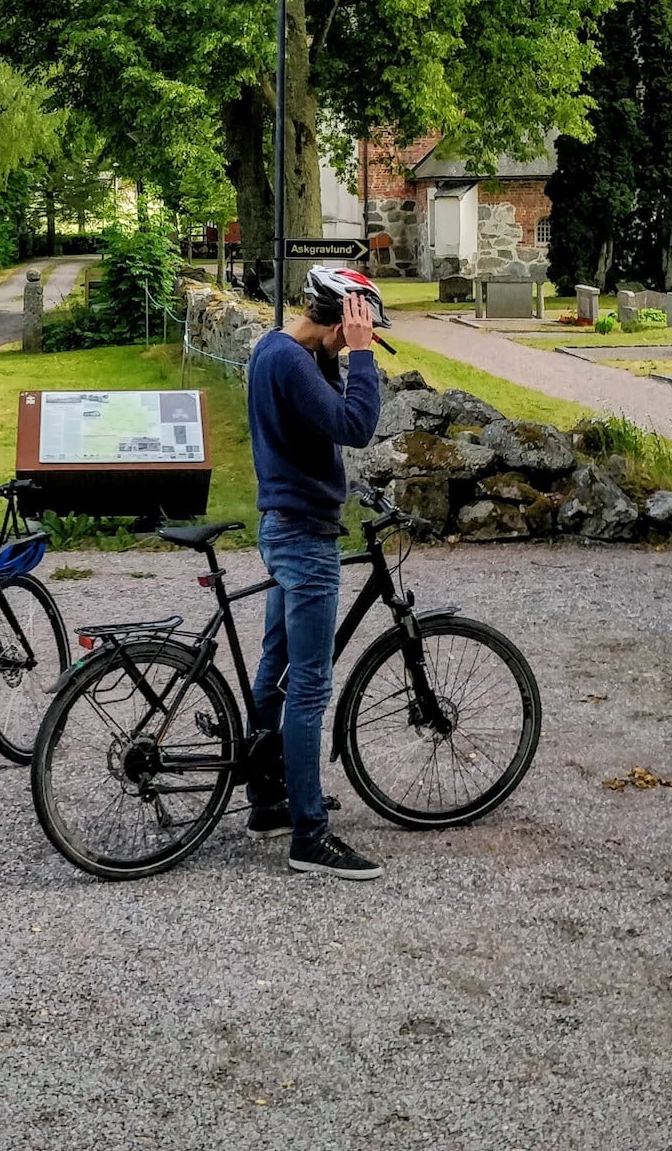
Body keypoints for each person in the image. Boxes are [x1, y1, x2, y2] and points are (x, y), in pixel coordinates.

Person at [244, 263, 387, 880]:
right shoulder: (293, 364)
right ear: (340, 323)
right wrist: (361, 358)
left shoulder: (276, 350)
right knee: (308, 688)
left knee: (276, 670)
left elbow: (321, 408)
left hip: (283, 527)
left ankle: (269, 800)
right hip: (304, 540)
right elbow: (354, 426)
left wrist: (339, 350)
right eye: (359, 325)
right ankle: (310, 835)